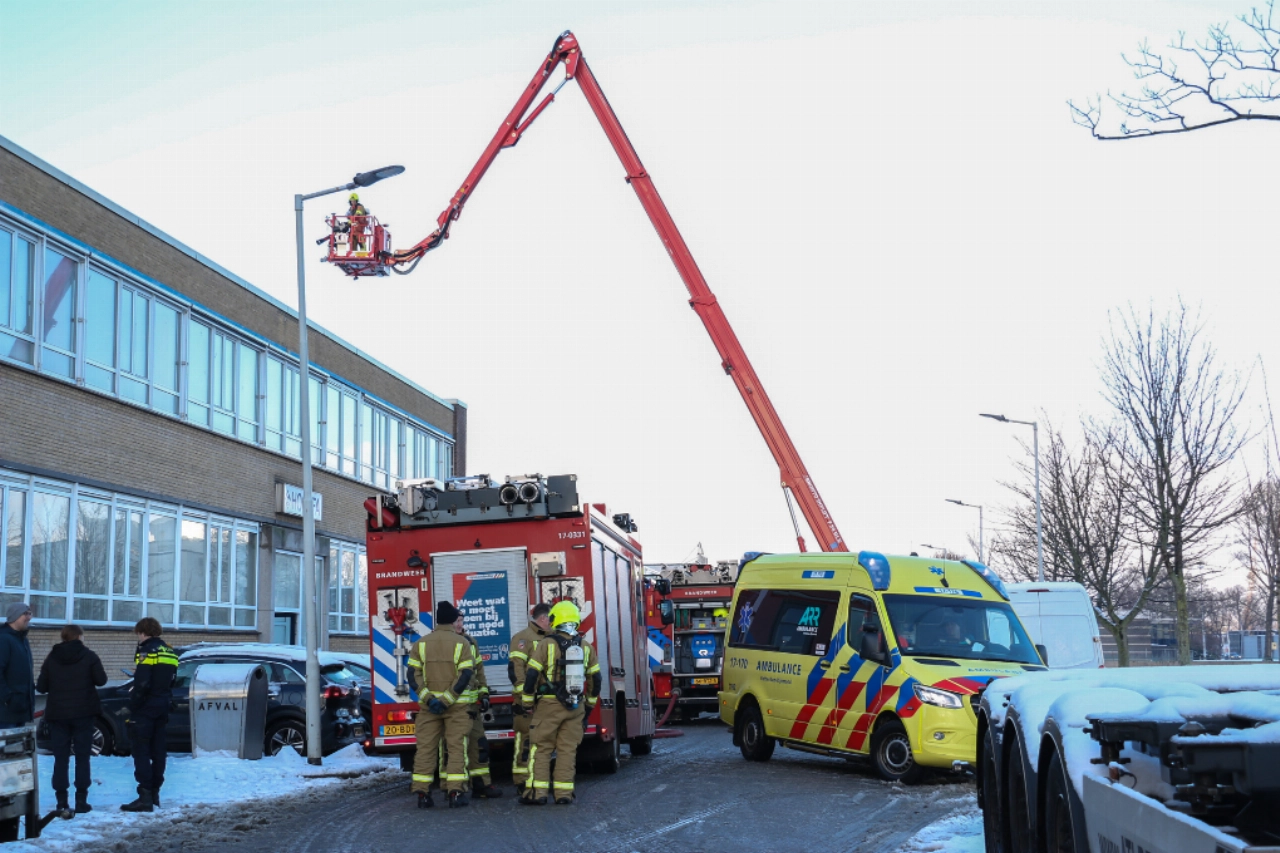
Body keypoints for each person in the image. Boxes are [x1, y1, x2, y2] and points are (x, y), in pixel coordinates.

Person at [519, 600, 601, 806]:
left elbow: (531, 675)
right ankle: (564, 794)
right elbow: (596, 680)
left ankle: (537, 793)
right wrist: (588, 707)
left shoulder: (546, 644)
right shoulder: (585, 646)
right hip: (575, 705)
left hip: (548, 705)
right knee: (567, 750)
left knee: (541, 748)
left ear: (556, 620)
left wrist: (527, 702)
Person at [407, 601, 475, 809]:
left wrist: (429, 699)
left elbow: (412, 676)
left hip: (429, 708)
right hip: (456, 707)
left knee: (425, 749)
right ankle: (455, 792)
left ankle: (422, 794)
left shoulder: (421, 644)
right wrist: (447, 699)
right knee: (456, 748)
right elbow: (466, 675)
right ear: (453, 620)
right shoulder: (462, 643)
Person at [36, 624, 107, 815]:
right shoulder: (89, 656)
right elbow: (101, 680)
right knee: (83, 758)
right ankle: (81, 801)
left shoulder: (52, 658)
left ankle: (61, 801)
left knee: (61, 759)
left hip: (58, 715)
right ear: (79, 637)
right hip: (84, 714)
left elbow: (41, 687)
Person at [121, 617, 178, 813]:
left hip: (146, 707)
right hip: (163, 704)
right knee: (158, 750)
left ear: (143, 632)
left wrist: (134, 705)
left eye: (138, 633)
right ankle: (154, 794)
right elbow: (171, 680)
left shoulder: (146, 650)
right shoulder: (169, 651)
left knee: (141, 750)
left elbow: (142, 683)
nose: (138, 637)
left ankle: (144, 796)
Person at [507, 603, 551, 794]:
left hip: (546, 702)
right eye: (551, 619)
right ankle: (522, 781)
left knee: (544, 744)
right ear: (543, 618)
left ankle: (539, 780)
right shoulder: (523, 638)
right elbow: (516, 671)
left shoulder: (551, 638)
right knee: (525, 743)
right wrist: (525, 698)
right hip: (528, 703)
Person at [455, 620, 501, 799]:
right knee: (454, 748)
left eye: (461, 620)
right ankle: (453, 789)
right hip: (453, 707)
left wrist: (484, 693)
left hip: (472, 706)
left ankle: (482, 785)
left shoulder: (470, 641)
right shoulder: (446, 642)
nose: (459, 624)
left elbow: (478, 670)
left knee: (480, 745)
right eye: (456, 621)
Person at [0, 603, 35, 730]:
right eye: (25, 614)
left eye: (30, 614)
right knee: (6, 742)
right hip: (6, 711)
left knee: (18, 742)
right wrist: (7, 698)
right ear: (15, 616)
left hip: (20, 707)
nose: (29, 617)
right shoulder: (4, 639)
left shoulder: (22, 640)